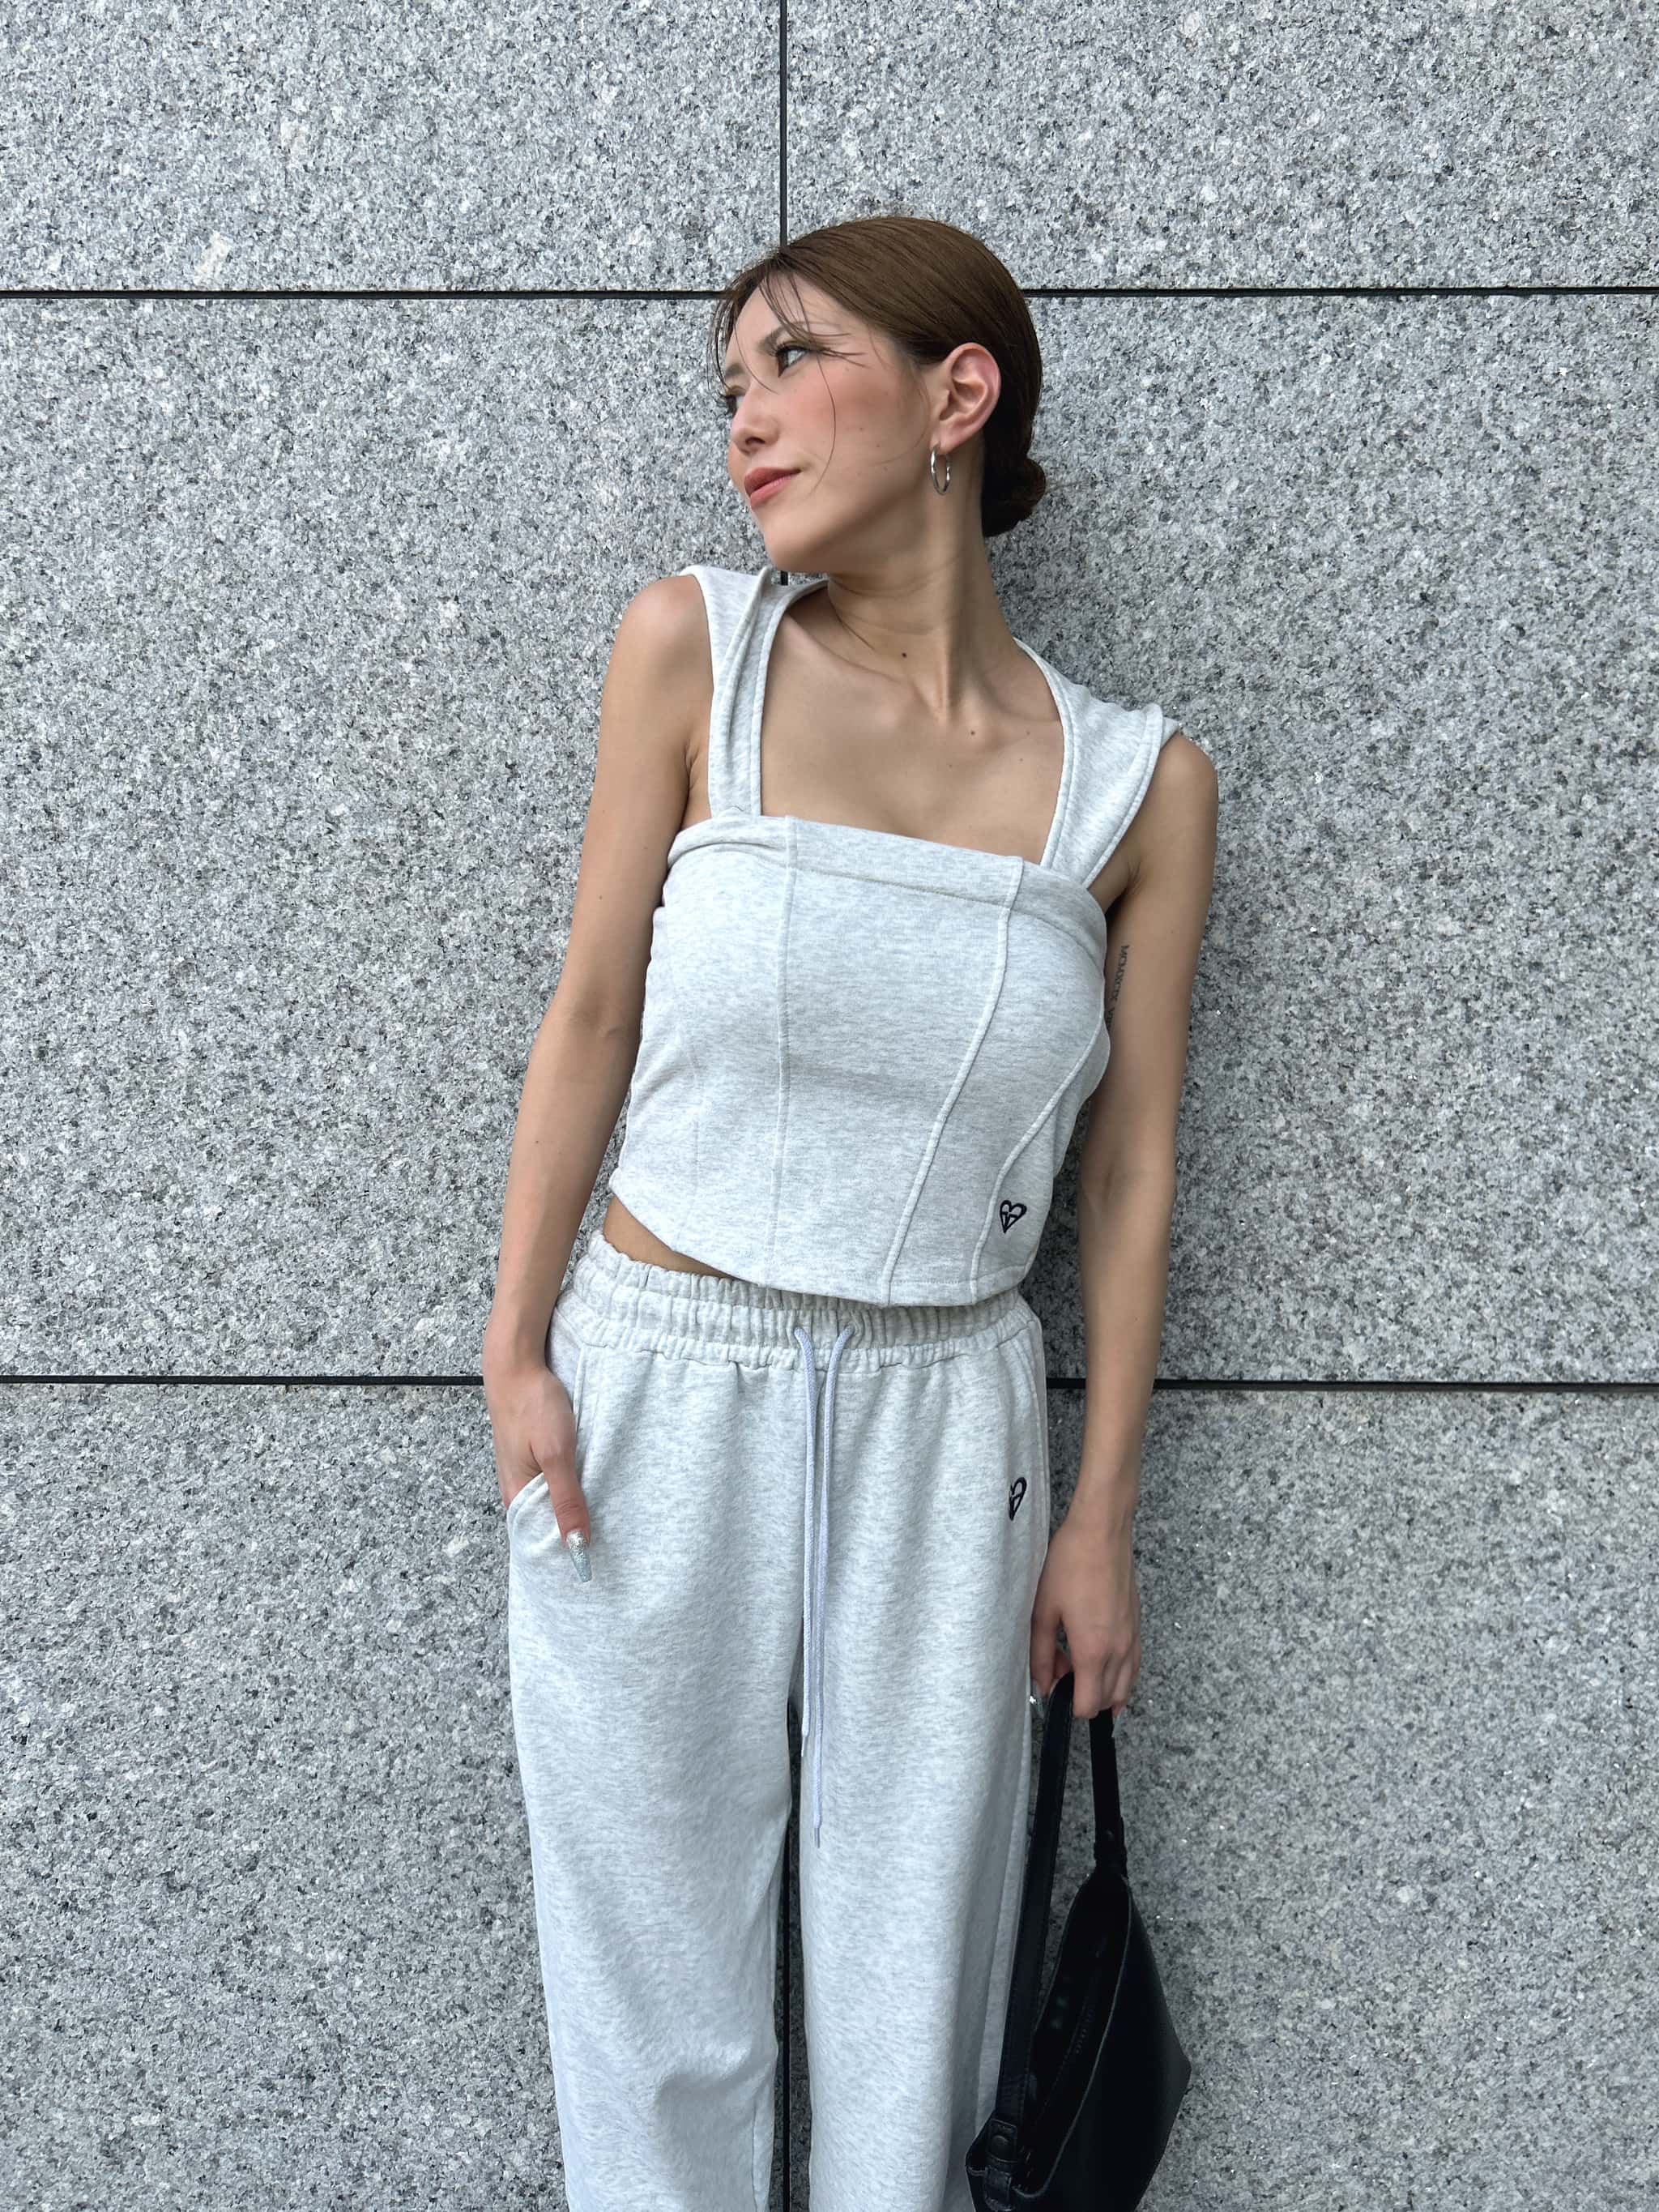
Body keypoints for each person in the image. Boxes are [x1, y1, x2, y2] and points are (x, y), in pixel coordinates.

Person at [481, 213, 1218, 2212]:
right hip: (653, 1392)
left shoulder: (1136, 789)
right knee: (652, 1995)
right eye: (730, 384)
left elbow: (1129, 1168)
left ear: (957, 395)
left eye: (795, 361)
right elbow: (592, 1010)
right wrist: (515, 1348)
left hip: (948, 1420)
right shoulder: (692, 652)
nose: (747, 420)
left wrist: (1098, 1515)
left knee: (918, 1999)